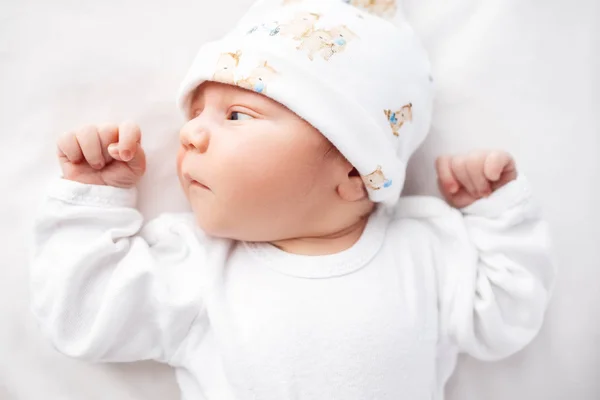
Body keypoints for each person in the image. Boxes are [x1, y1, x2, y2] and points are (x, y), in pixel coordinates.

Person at [29, 0, 555, 399]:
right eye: (196, 114)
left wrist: (496, 215)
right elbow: (85, 322)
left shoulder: (427, 247)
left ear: (353, 170)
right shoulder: (200, 265)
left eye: (235, 115)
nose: (189, 135)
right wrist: (94, 201)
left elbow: (508, 319)